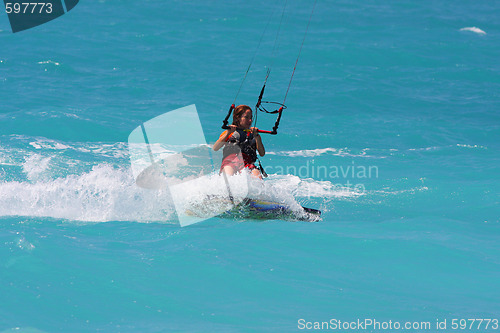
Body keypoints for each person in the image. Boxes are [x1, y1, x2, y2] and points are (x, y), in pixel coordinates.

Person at [213, 105, 265, 179]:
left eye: (251, 118)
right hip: (230, 162)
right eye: (246, 117)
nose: (250, 120)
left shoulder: (254, 135)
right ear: (238, 118)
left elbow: (262, 153)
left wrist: (256, 136)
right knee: (229, 177)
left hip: (248, 164)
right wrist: (228, 132)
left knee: (258, 180)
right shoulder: (229, 132)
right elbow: (215, 148)